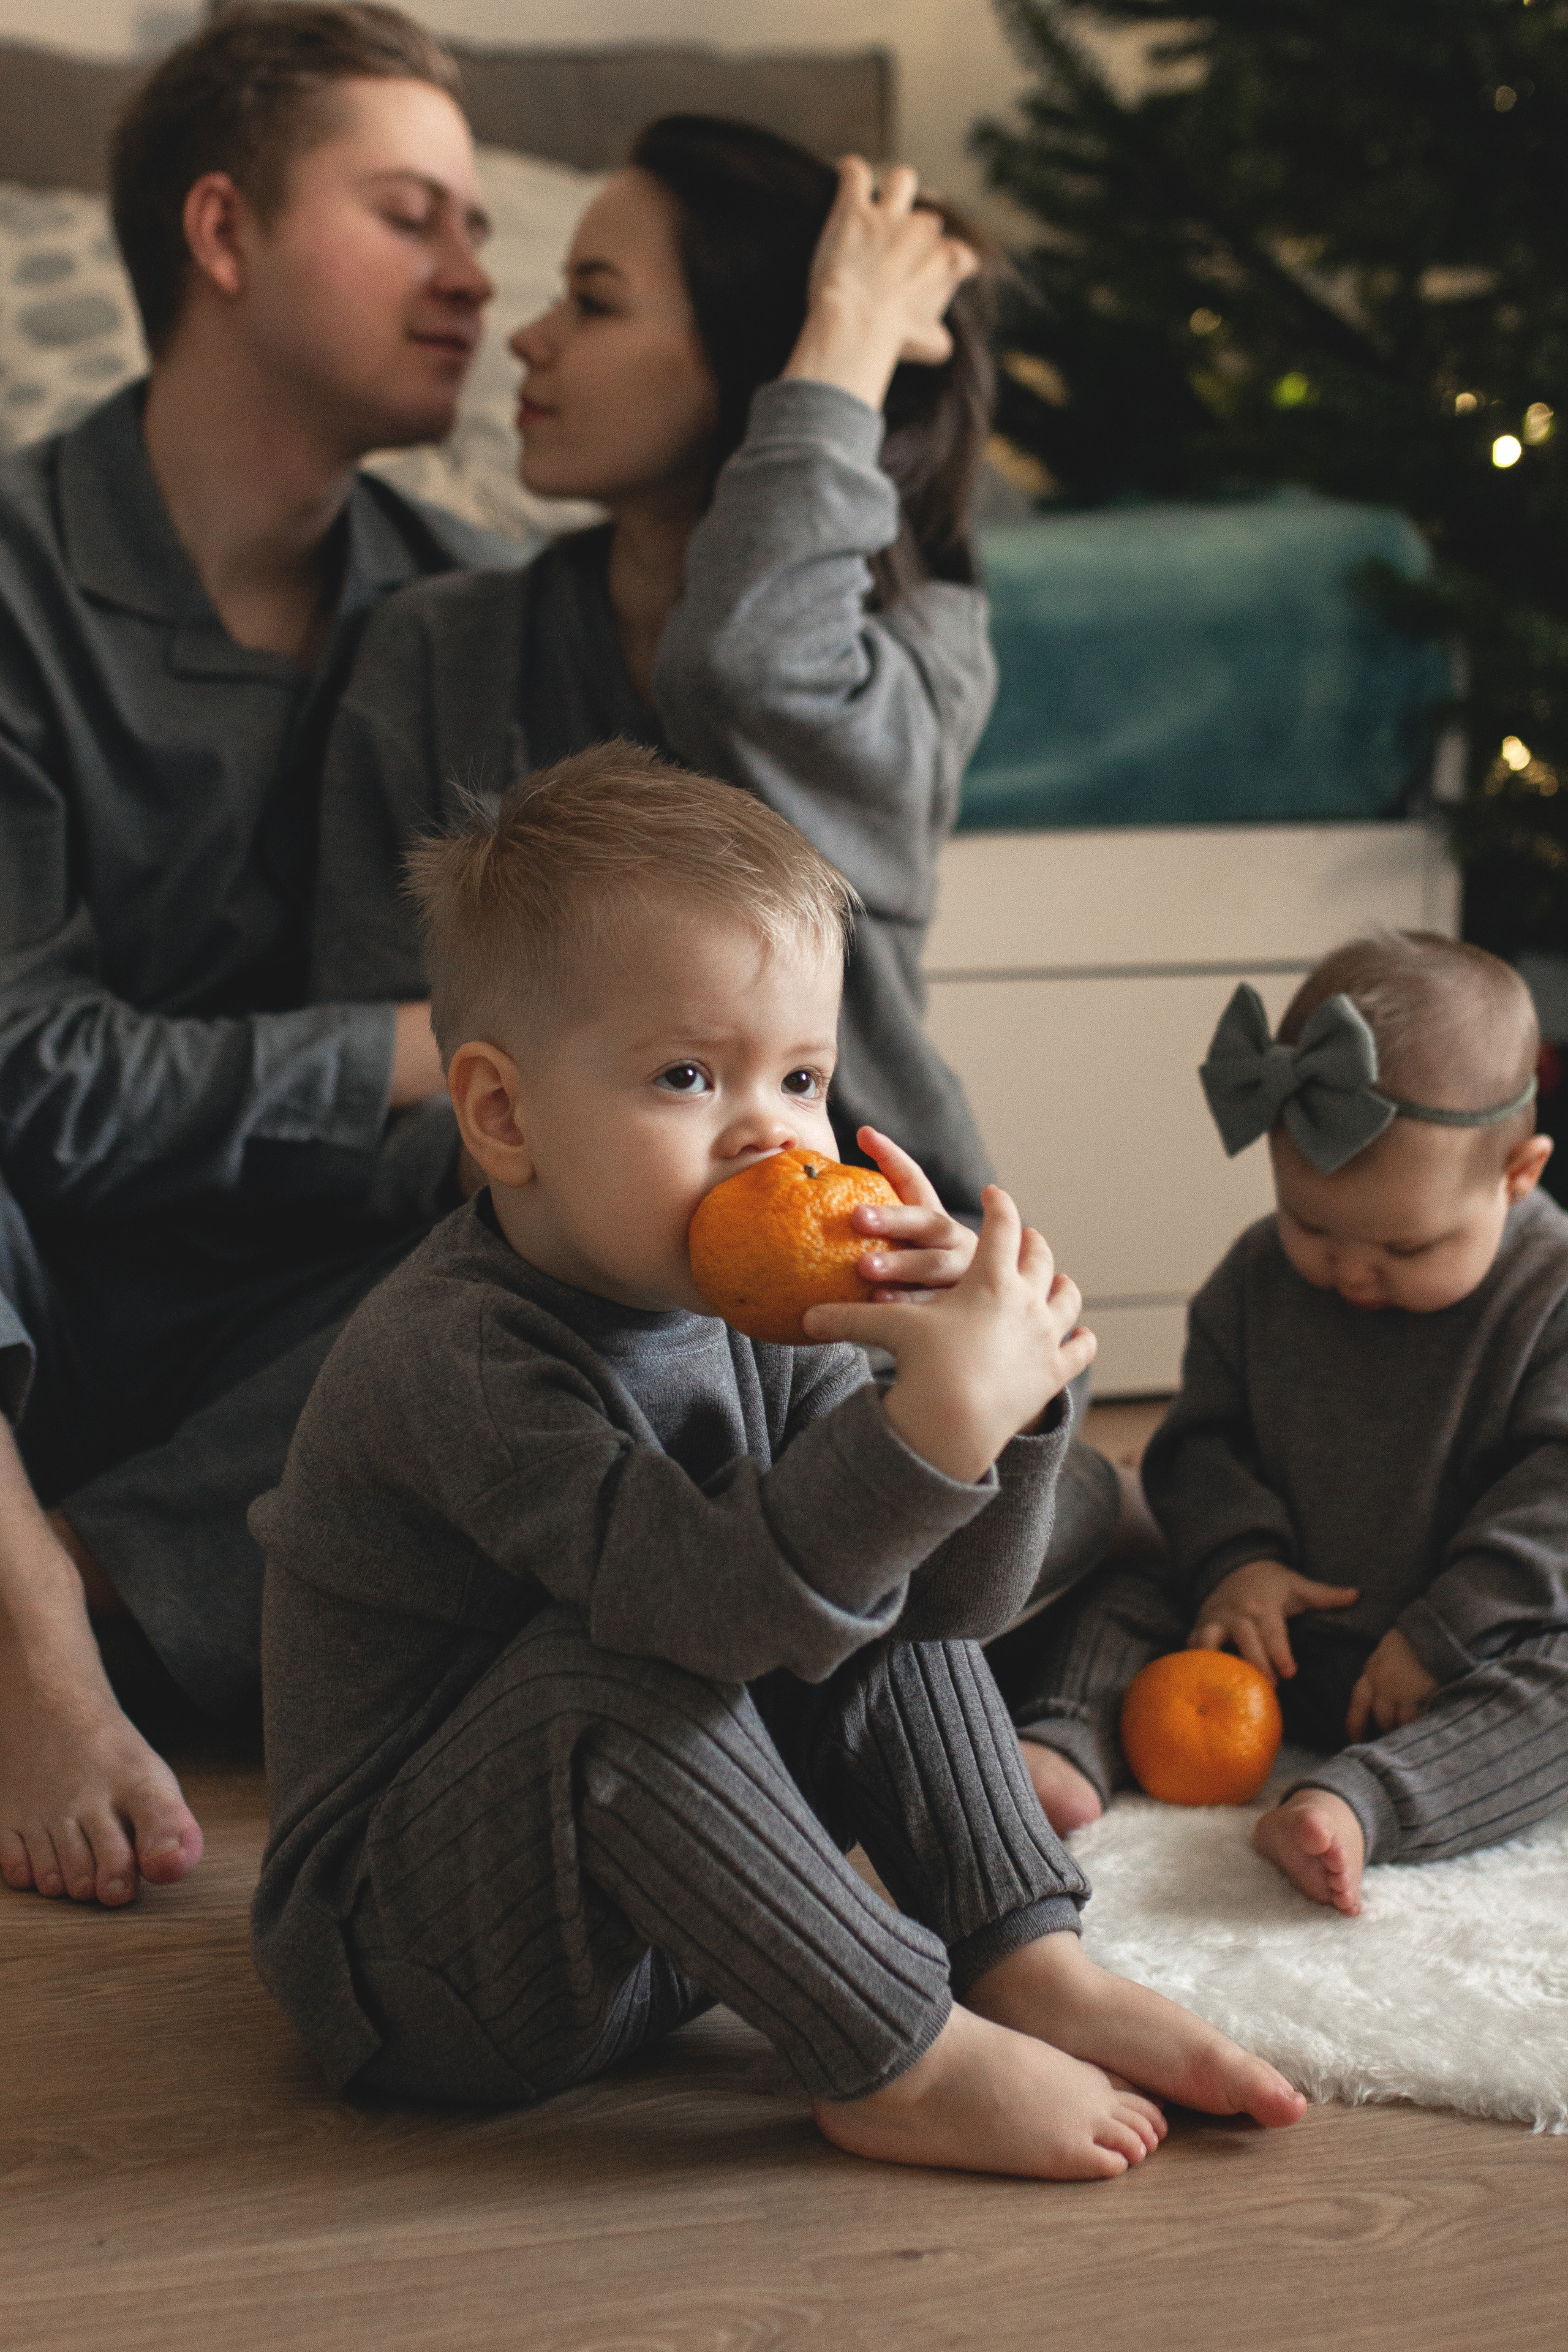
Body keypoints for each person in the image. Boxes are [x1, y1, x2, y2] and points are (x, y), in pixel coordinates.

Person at [251, 742, 1305, 2175]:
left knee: (869, 1571)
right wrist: (918, 1437)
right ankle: (893, 2055)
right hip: (435, 1969)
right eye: (688, 1074)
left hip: (690, 1904)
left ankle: (1016, 1953)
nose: (772, 1139)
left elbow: (949, 1610)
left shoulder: (768, 1316)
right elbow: (703, 1613)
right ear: (503, 1116)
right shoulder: (456, 1361)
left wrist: (1003, 1399)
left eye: (802, 1076)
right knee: (634, 1659)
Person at [312, 113, 1126, 1646]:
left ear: (763, 376)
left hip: (846, 1303)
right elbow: (372, 1020)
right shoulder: (432, 647)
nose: (526, 340)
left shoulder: (910, 660)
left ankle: (1058, 1661)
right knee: (340, 1434)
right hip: (522, 1272)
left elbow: (743, 657)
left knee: (1009, 1489)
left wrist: (842, 338)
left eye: (596, 301)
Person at [0, 2, 519, 1909]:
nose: (475, 277)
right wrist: (414, 1043)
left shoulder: (465, 604)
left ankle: (84, 1580)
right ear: (221, 237)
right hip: (28, 1287)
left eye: (478, 226)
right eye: (412, 216)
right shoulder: (15, 581)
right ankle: (37, 1620)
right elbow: (20, 1077)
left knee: (561, 1224)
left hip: (283, 1349)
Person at [1016, 932, 1568, 1917]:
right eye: (1312, 1224)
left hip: (1465, 1653)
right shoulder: (1256, 1277)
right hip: (1270, 1641)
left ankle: (1365, 1804)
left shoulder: (1550, 1297)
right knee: (1135, 1576)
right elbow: (1200, 1444)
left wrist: (1446, 1633)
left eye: (1404, 1245)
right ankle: (1068, 1740)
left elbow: (1555, 1502)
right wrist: (1239, 1564)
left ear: (1518, 1176)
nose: (1350, 1269)